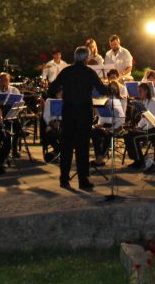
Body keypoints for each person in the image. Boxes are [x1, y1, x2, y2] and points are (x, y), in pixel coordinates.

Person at [47, 45, 105, 191]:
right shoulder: (89, 72)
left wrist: (62, 92)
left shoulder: (66, 71)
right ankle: (83, 181)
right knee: (82, 148)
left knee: (66, 147)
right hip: (84, 114)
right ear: (86, 58)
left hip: (69, 113)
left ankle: (64, 179)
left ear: (74, 57)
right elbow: (102, 90)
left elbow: (51, 89)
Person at [125, 81, 155, 169]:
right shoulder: (145, 102)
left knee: (133, 137)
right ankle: (136, 159)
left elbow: (154, 120)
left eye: (140, 92)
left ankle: (140, 161)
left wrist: (142, 129)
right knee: (127, 135)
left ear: (146, 91)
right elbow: (144, 119)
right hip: (147, 127)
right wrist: (138, 127)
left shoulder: (153, 102)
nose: (138, 94)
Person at [92, 82, 126, 164]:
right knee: (94, 132)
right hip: (106, 124)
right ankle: (99, 156)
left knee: (108, 134)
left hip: (116, 126)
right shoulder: (104, 100)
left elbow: (121, 120)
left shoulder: (118, 101)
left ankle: (101, 157)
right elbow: (103, 116)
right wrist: (100, 124)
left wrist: (111, 128)